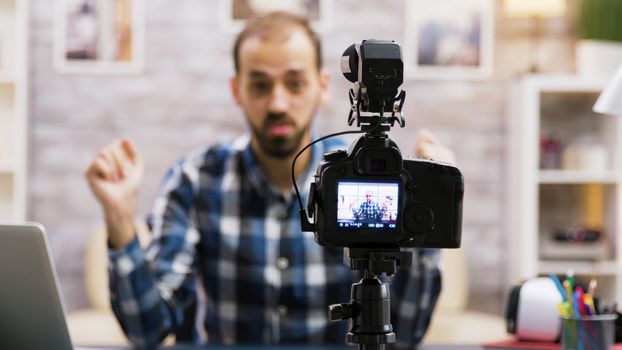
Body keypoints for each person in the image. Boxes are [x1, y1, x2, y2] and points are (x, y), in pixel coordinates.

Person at [84, 12, 456, 348]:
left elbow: (404, 336)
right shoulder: (195, 180)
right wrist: (119, 217)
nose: (278, 103)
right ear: (237, 90)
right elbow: (146, 330)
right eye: (260, 85)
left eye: (294, 83)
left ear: (323, 86)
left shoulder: (371, 181)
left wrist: (429, 221)